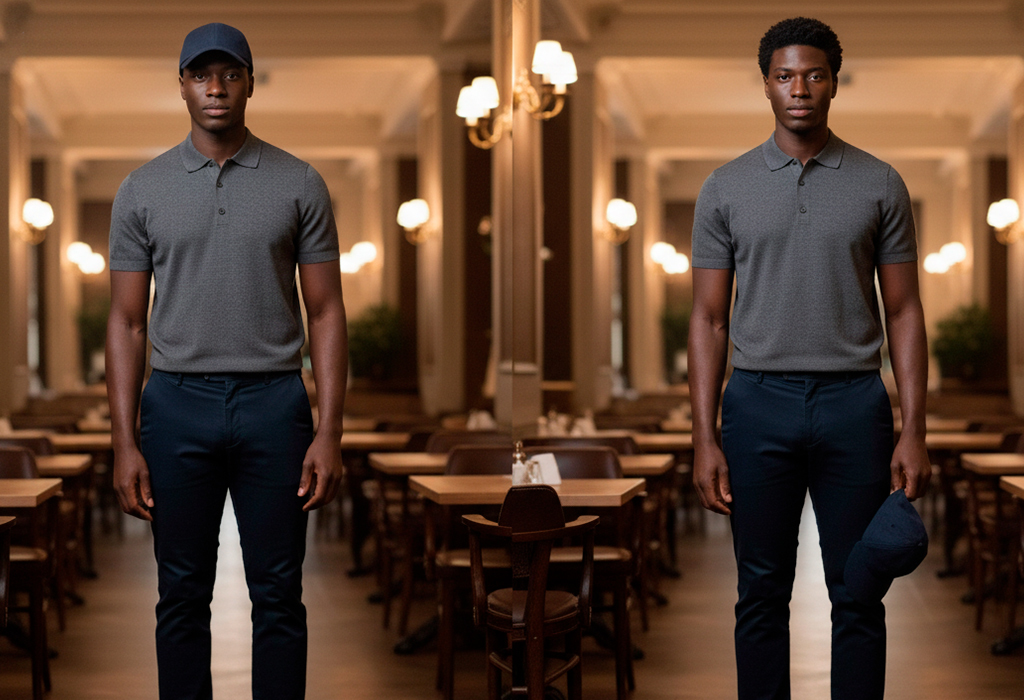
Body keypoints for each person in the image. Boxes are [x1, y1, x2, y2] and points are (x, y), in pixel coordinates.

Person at [688, 17, 930, 700]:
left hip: (855, 403)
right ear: (766, 84)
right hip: (756, 402)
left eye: (814, 75)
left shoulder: (880, 183)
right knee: (760, 593)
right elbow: (707, 320)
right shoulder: (724, 187)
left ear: (833, 84)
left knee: (859, 591)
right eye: (786, 76)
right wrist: (703, 435)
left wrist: (914, 426)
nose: (800, 89)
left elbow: (905, 311)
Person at [106, 22, 347, 700]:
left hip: (276, 404)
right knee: (180, 595)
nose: (216, 86)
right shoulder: (141, 189)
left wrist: (328, 430)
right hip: (175, 404)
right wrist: (123, 441)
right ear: (182, 85)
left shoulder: (299, 182)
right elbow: (125, 322)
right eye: (201, 74)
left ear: (247, 83)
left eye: (230, 73)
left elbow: (326, 311)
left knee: (279, 595)